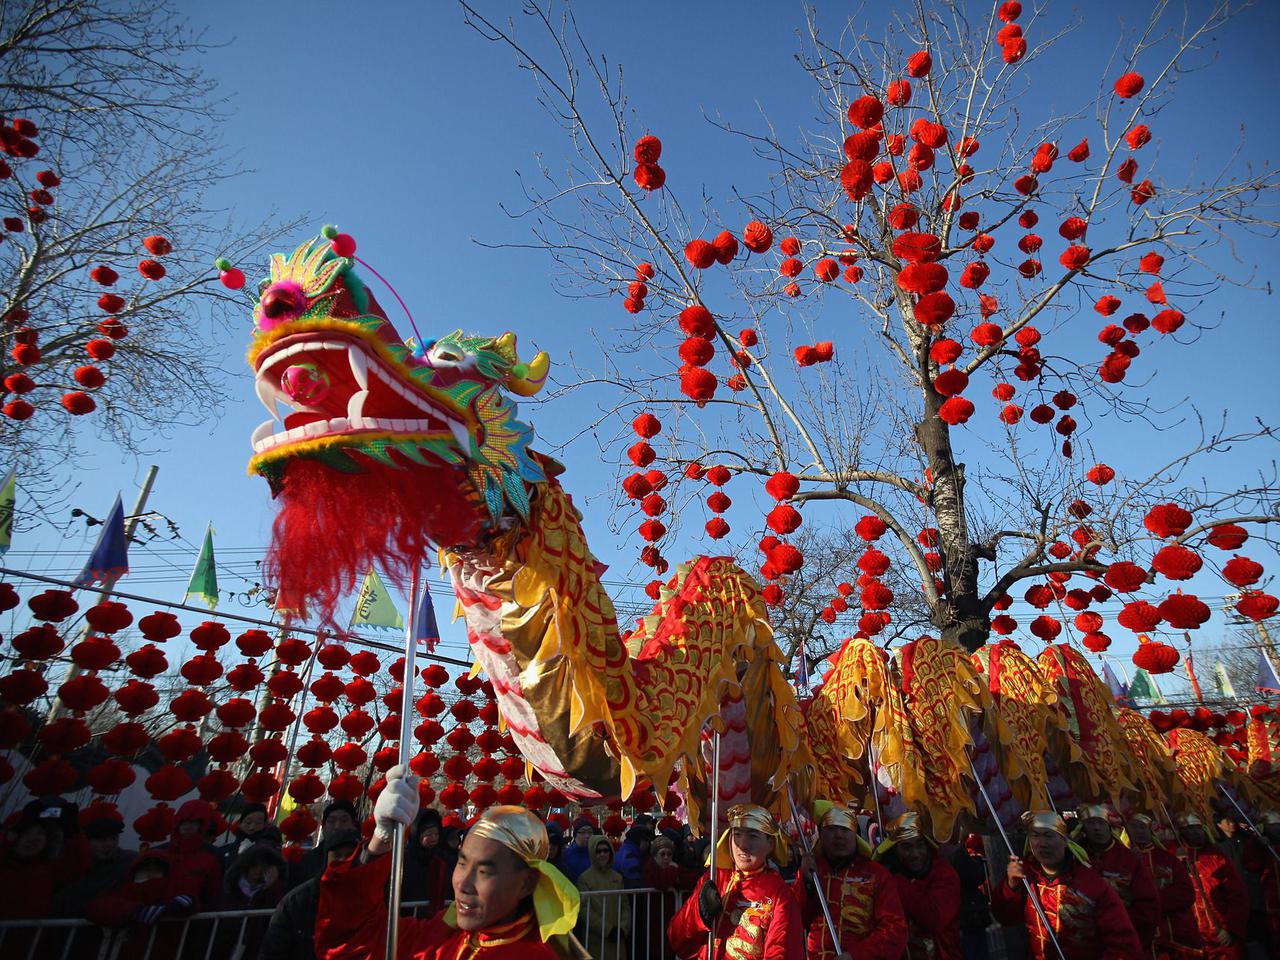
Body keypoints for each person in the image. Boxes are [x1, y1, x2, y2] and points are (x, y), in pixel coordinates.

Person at [314, 764, 584, 958]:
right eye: (463, 862)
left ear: (527, 883)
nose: (463, 883)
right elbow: (352, 943)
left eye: (484, 871)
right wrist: (382, 840)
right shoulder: (441, 934)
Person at [990, 810, 1142, 959]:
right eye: (1035, 836)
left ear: (1064, 840)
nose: (1042, 843)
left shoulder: (1090, 883)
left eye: (1049, 835)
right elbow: (1005, 917)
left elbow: (1123, 943)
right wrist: (1011, 886)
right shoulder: (1025, 877)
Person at [668, 802, 804, 960]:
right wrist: (699, 913)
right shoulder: (714, 878)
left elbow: (782, 952)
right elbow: (677, 939)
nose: (743, 845)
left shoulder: (779, 894)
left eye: (753, 836)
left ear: (770, 844)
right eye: (737, 835)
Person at [792, 800, 906, 960]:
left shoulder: (877, 874)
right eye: (831, 829)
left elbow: (895, 928)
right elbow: (793, 922)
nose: (839, 836)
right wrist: (806, 883)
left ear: (855, 835)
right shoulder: (812, 871)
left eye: (845, 830)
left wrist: (857, 955)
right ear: (821, 835)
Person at [261, 828, 361, 960]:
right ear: (327, 858)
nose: (344, 861)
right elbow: (273, 950)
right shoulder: (297, 901)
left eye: (350, 855)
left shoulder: (372, 895)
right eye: (337, 855)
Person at [876, 811, 962, 960]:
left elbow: (934, 920)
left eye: (919, 845)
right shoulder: (883, 878)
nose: (915, 854)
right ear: (894, 851)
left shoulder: (943, 873)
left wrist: (897, 883)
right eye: (906, 847)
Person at [87, 849, 199, 958]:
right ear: (135, 872)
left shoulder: (170, 892)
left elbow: (191, 901)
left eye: (156, 870)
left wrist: (178, 903)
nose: (150, 874)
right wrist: (134, 911)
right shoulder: (125, 891)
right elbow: (98, 907)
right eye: (145, 870)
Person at [1074, 804, 1159, 945]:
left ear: (1109, 826)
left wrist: (1119, 923)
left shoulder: (1129, 859)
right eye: (1090, 823)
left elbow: (1148, 904)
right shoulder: (1074, 858)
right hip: (1084, 941)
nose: (1096, 828)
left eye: (1101, 823)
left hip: (1123, 935)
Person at [1126, 814, 1203, 959]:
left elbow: (1186, 893)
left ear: (1151, 831)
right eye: (1134, 827)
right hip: (1145, 941)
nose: (1139, 831)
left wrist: (1150, 901)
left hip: (1177, 937)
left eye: (1143, 827)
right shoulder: (1122, 861)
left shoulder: (1167, 858)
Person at [1178, 812, 1248, 959]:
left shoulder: (1216, 857)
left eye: (1198, 827)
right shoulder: (1177, 859)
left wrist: (1230, 928)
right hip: (1194, 937)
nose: (1196, 832)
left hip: (1222, 933)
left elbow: (1237, 895)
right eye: (1190, 828)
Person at [53, 813, 136, 918]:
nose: (108, 844)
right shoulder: (74, 864)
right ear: (86, 841)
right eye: (101, 840)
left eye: (113, 838)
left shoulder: (129, 861)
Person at [159, 797, 223, 909]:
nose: (188, 827)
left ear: (202, 825)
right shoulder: (159, 852)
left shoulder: (212, 855)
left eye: (194, 822)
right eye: (184, 822)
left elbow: (214, 891)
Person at [576, 834, 630, 960]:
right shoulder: (584, 878)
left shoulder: (618, 877)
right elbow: (584, 910)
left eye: (606, 850)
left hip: (617, 937)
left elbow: (625, 905)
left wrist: (623, 928)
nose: (602, 854)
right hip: (596, 938)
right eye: (598, 851)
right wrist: (607, 929)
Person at [290, 799, 359, 889]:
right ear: (323, 826)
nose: (337, 826)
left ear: (353, 825)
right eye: (332, 821)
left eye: (344, 821)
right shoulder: (306, 862)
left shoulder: (361, 859)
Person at [403, 808, 454, 917]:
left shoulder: (442, 858)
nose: (434, 838)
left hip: (436, 920)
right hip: (409, 920)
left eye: (436, 834)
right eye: (429, 834)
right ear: (417, 833)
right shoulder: (405, 859)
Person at [642, 835, 684, 960]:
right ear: (655, 856)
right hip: (654, 922)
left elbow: (690, 878)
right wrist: (672, 872)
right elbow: (660, 882)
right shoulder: (649, 868)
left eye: (669, 854)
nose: (666, 857)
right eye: (662, 854)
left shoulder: (674, 867)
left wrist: (675, 874)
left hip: (671, 921)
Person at [221, 801, 270, 869]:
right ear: (239, 823)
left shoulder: (270, 853)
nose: (252, 827)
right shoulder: (225, 850)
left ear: (265, 825)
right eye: (248, 822)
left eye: (258, 823)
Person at [561, 816, 595, 884]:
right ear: (575, 835)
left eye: (590, 832)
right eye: (583, 832)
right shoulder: (566, 855)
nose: (587, 836)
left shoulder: (597, 853)